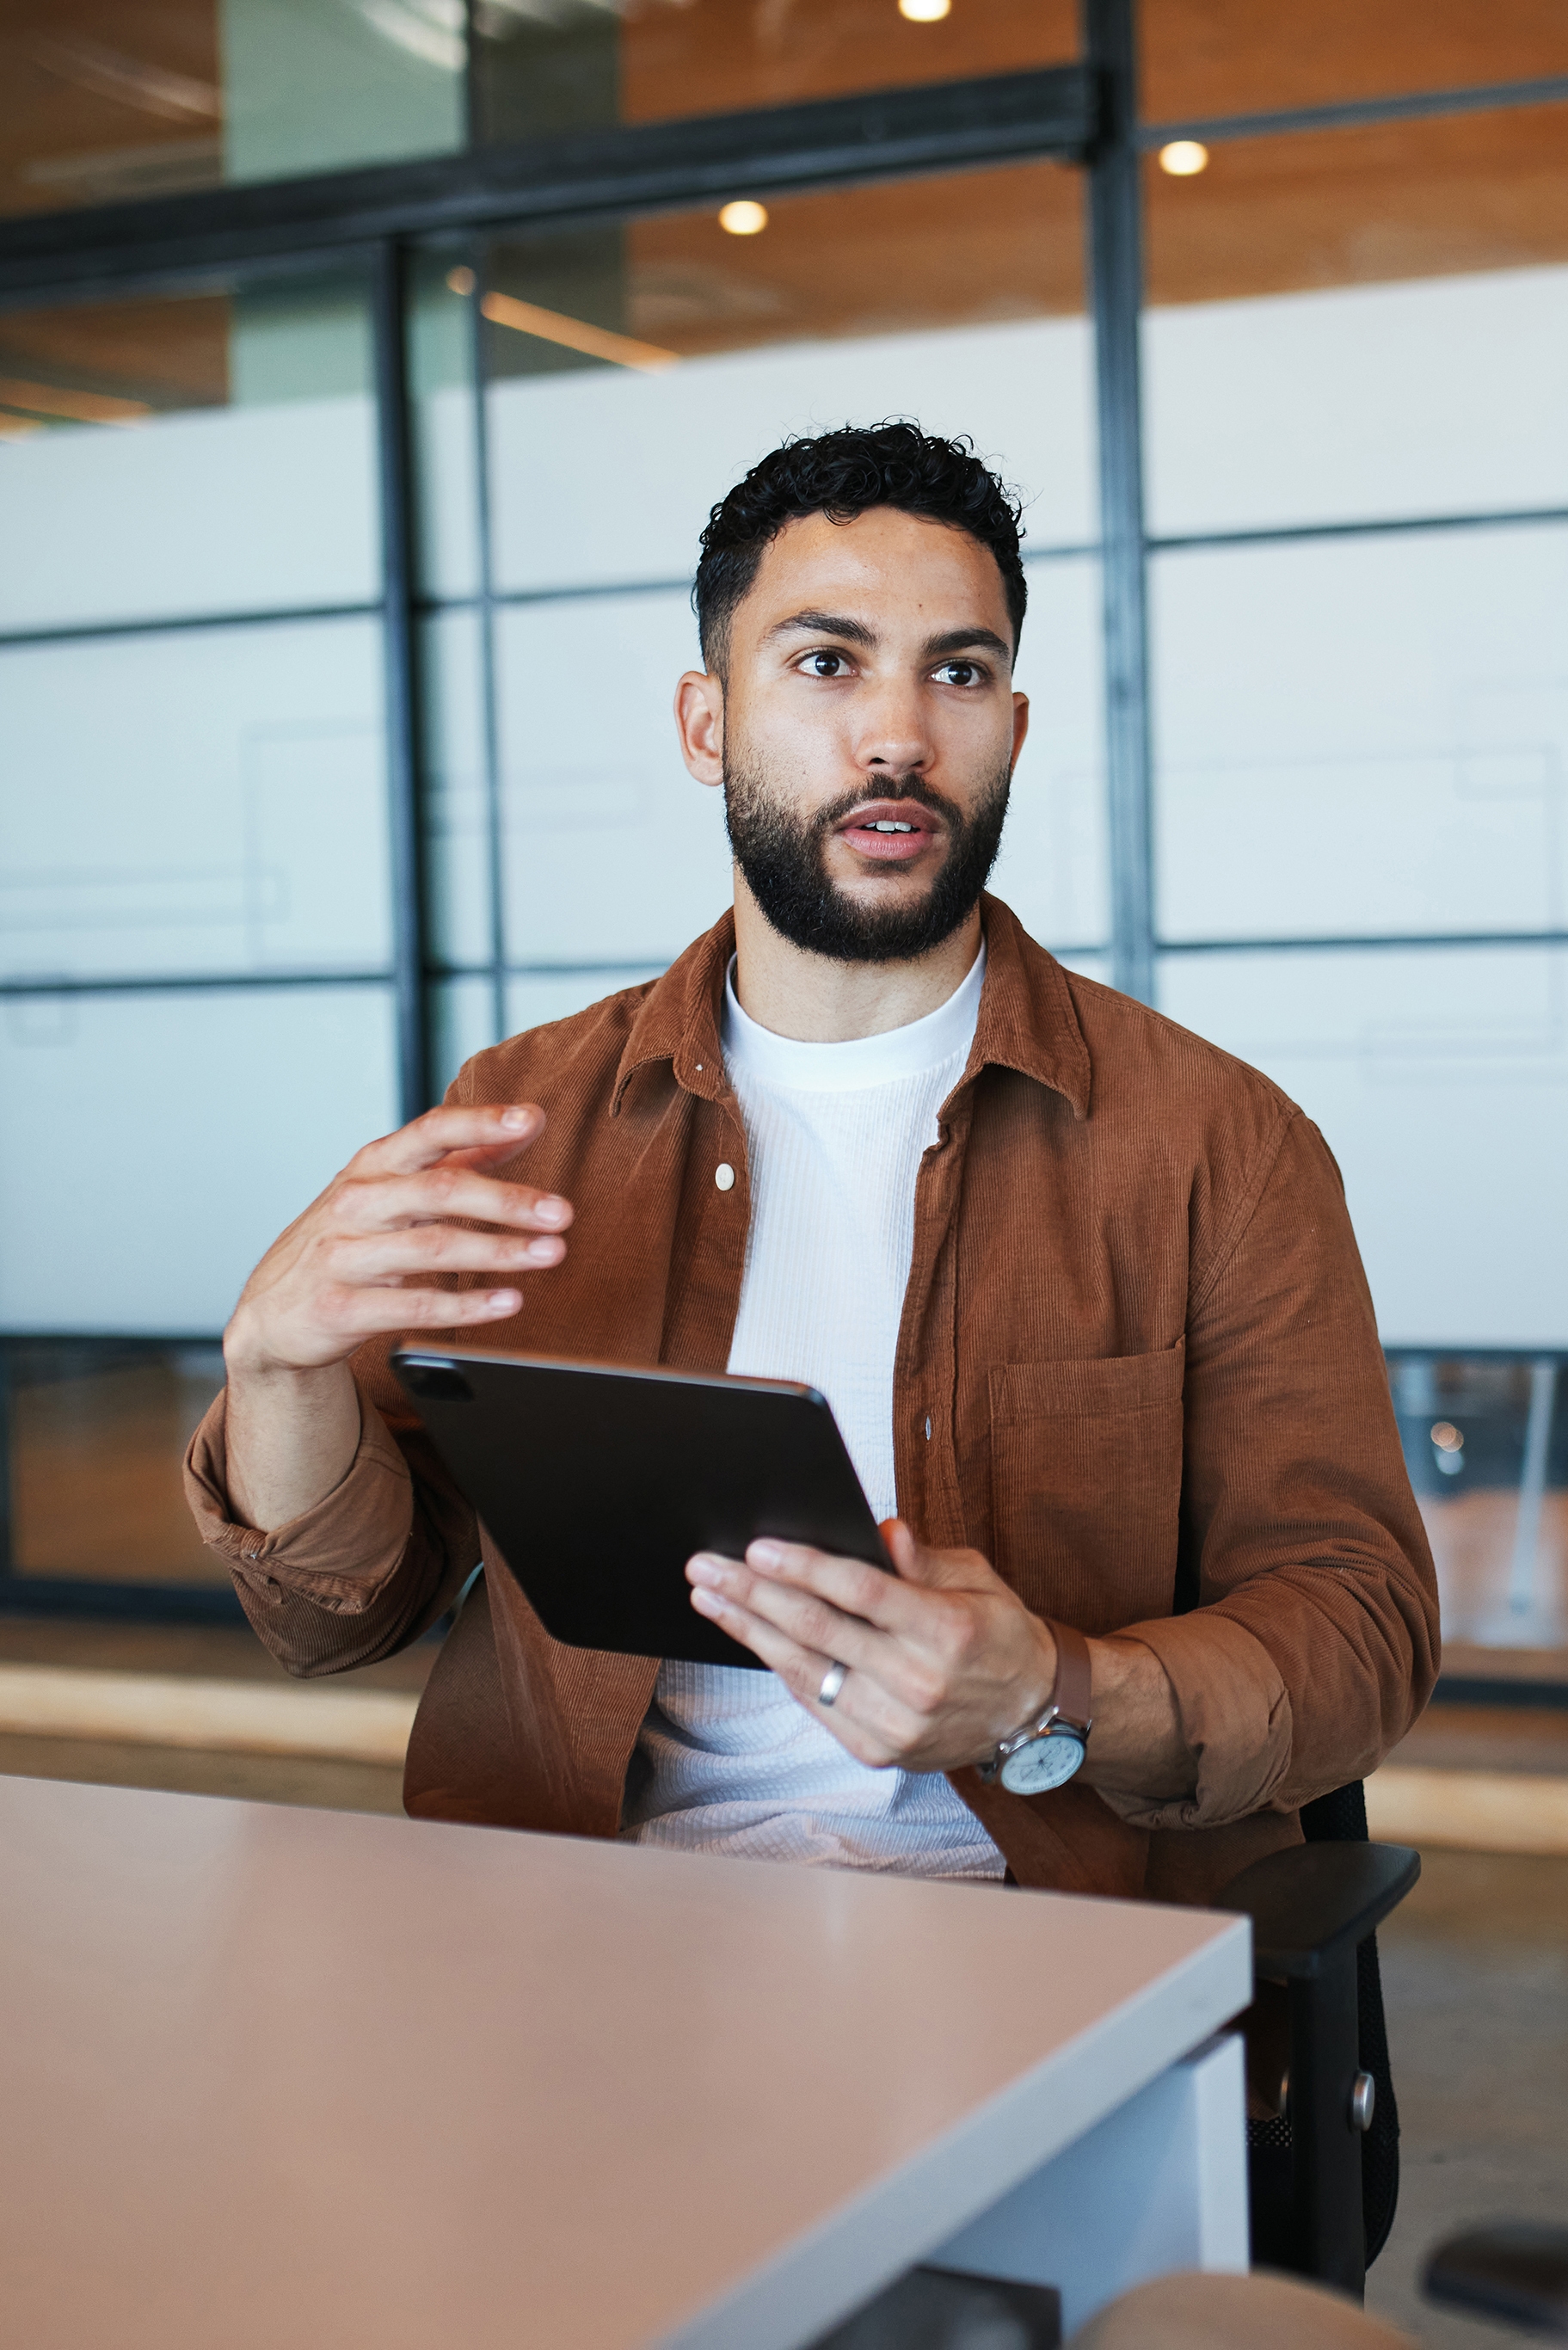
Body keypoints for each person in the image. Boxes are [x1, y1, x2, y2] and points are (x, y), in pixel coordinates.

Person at [185, 421, 1438, 1902]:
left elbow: (1359, 1631)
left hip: (1033, 1937)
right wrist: (277, 1373)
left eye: (957, 672)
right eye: (826, 663)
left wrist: (1055, 1686)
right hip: (583, 1915)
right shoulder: (527, 1117)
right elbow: (343, 1614)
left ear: (1015, 729)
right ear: (707, 723)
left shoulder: (1216, 1145)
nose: (897, 733)